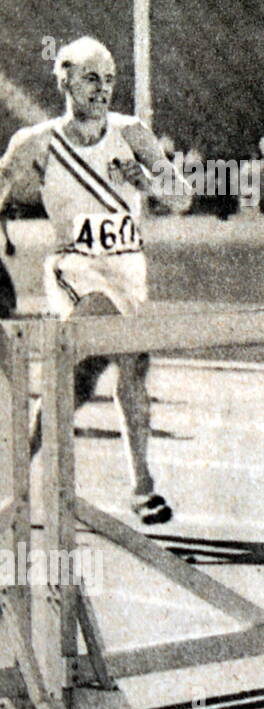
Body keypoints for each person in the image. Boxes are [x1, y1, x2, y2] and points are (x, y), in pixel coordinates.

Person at [0, 37, 192, 524]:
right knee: (115, 343)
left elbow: (182, 197)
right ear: (63, 79)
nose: (102, 89)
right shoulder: (38, 141)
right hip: (75, 269)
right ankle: (143, 486)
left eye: (109, 79)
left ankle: (22, 471)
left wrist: (148, 182)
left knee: (82, 383)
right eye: (90, 78)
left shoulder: (131, 133)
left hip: (127, 267)